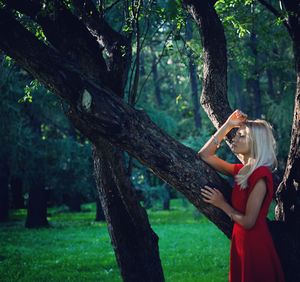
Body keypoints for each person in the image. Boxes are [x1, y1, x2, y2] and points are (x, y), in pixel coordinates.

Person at [198, 109, 285, 282]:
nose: (234, 139)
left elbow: (249, 221)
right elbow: (205, 154)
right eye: (236, 135)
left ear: (256, 143)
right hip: (242, 241)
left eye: (242, 136)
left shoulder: (260, 175)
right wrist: (228, 125)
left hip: (255, 244)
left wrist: (221, 203)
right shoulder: (242, 171)